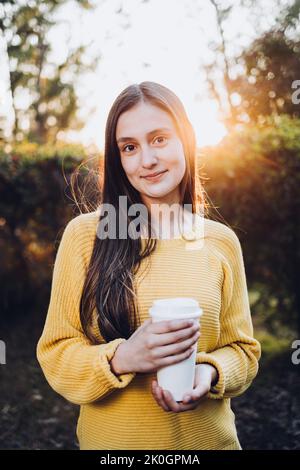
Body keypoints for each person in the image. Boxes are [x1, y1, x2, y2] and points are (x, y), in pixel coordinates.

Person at [36, 81, 261, 450]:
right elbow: (56, 353)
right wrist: (124, 357)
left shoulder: (221, 241)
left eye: (159, 139)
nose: (147, 160)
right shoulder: (84, 236)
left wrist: (209, 373)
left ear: (186, 140)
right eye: (129, 147)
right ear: (119, 159)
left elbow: (243, 350)